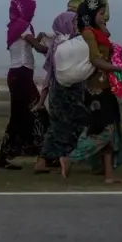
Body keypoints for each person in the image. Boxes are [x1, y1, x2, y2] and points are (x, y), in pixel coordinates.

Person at [59, 0, 122, 183]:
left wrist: (103, 27)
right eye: (100, 13)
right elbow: (95, 60)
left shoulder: (97, 32)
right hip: (96, 90)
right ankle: (70, 158)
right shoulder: (88, 33)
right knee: (103, 131)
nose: (103, 16)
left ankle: (108, 175)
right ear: (90, 15)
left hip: (106, 88)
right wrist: (116, 69)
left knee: (108, 130)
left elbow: (107, 43)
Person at [0, 0, 48, 170]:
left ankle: (5, 157)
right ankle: (45, 154)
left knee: (20, 117)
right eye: (31, 11)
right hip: (22, 76)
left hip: (18, 76)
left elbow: (27, 46)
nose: (33, 14)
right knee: (37, 114)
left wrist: (37, 38)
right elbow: (39, 49)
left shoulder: (14, 26)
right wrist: (58, 47)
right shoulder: (23, 25)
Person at [34, 11, 84, 174]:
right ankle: (50, 159)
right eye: (74, 21)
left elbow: (49, 73)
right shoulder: (68, 43)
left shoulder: (56, 42)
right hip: (68, 89)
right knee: (67, 125)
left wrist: (43, 98)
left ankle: (56, 158)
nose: (77, 24)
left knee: (62, 125)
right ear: (66, 23)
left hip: (58, 88)